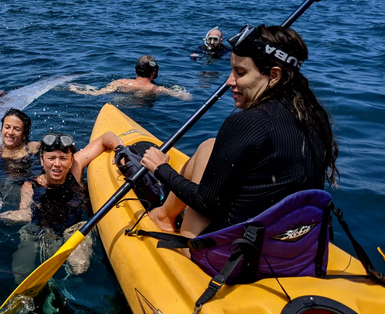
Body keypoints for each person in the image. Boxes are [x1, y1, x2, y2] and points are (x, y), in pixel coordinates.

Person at [141, 25, 338, 257]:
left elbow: (207, 204)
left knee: (203, 191)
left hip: (235, 259)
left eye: (240, 73)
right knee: (209, 146)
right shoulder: (314, 117)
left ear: (274, 75)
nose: (229, 82)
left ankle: (177, 229)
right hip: (294, 251)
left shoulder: (247, 122)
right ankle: (165, 215)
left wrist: (162, 169)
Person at [0, 130, 122, 277]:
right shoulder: (30, 185)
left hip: (75, 228)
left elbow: (105, 138)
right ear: (42, 160)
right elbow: (25, 212)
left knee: (79, 266)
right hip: (41, 230)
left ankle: (66, 281)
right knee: (22, 263)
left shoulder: (75, 170)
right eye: (52, 158)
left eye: (63, 158)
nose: (57, 164)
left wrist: (120, 149)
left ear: (71, 161)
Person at [69, 55, 191, 100]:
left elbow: (96, 94)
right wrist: (180, 91)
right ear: (153, 74)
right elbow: (187, 98)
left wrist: (75, 89)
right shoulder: (158, 89)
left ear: (135, 70)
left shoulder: (120, 82)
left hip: (120, 100)